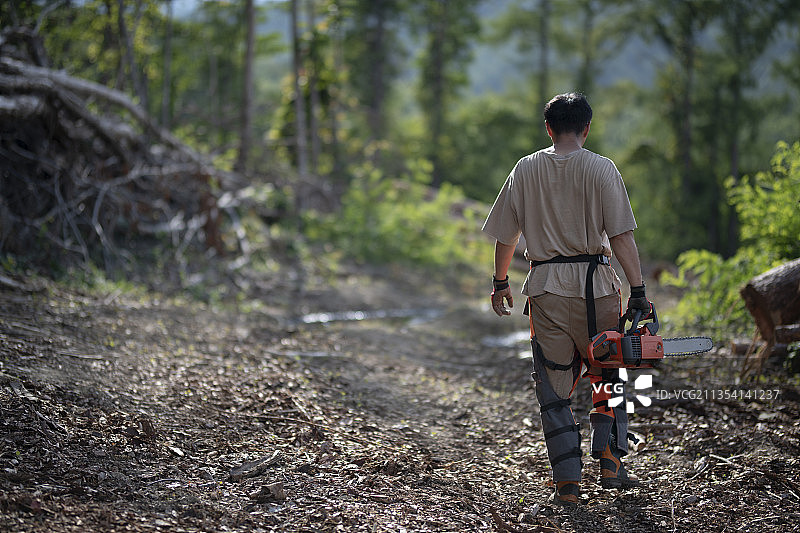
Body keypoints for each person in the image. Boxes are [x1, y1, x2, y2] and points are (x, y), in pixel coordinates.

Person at [482, 92, 652, 506]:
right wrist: (640, 290)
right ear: (586, 128)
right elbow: (621, 236)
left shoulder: (525, 169)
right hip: (598, 287)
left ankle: (568, 485)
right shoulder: (602, 168)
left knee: (554, 389)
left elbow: (508, 234)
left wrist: (501, 281)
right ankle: (610, 463)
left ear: (548, 128)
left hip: (545, 289)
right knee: (607, 373)